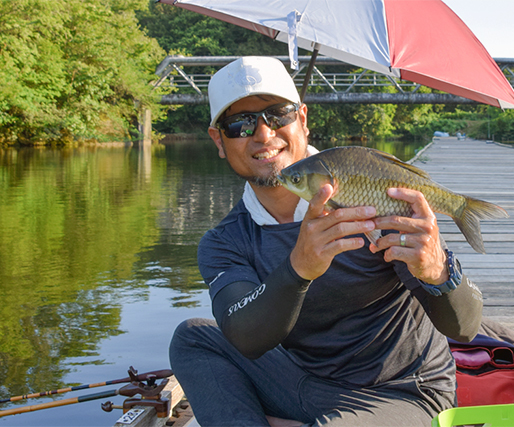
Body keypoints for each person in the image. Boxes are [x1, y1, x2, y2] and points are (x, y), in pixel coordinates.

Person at [169, 56, 484, 427]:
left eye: (277, 115)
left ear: (302, 120)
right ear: (218, 140)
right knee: (193, 338)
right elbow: (246, 338)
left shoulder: (371, 204)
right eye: (239, 124)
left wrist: (439, 271)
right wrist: (297, 269)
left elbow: (464, 327)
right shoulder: (225, 240)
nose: (264, 135)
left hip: (399, 390)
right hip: (301, 383)